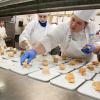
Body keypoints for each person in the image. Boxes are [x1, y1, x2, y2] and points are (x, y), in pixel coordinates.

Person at [20, 10, 98, 64]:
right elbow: (49, 40)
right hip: (66, 64)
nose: (73, 25)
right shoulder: (63, 27)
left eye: (79, 23)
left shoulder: (92, 28)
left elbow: (98, 43)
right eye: (73, 19)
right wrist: (34, 51)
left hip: (86, 67)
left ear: (86, 24)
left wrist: (94, 47)